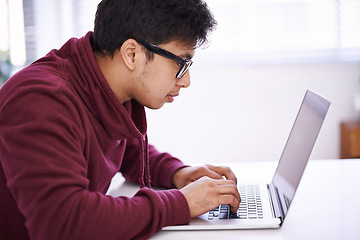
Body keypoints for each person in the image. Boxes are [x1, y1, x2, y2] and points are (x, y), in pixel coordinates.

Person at [0, 0, 241, 239]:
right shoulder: (41, 100)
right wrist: (181, 203)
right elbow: (64, 222)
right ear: (131, 54)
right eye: (180, 63)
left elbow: (125, 149)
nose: (186, 80)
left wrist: (178, 173)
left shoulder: (104, 84)